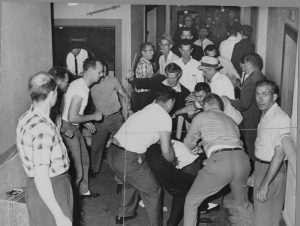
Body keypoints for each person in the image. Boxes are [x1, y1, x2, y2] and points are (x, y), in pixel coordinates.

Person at [107, 87, 177, 226]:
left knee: (130, 183)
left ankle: (123, 215)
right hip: (127, 158)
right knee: (154, 190)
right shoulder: (164, 116)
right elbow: (166, 150)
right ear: (170, 102)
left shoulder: (146, 109)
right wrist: (173, 161)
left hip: (112, 153)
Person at [183, 93, 253, 226]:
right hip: (242, 161)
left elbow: (189, 141)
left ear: (205, 105)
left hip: (220, 162)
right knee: (243, 204)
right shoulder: (230, 120)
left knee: (191, 201)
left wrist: (195, 149)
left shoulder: (201, 116)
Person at [16, 72, 73, 226]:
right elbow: (41, 176)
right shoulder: (42, 129)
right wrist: (59, 215)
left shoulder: (27, 117)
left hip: (38, 188)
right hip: (51, 188)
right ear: (52, 94)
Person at [250, 80, 296, 226]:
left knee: (264, 220)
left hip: (272, 172)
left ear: (274, 97)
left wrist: (265, 183)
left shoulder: (279, 118)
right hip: (262, 168)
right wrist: (255, 173)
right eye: (257, 94)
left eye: (265, 94)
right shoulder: (267, 114)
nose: (260, 99)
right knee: (260, 216)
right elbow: (264, 147)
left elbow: (279, 153)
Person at [61, 57, 104, 198]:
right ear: (90, 71)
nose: (102, 74)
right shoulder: (81, 89)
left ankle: (83, 191)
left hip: (73, 126)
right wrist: (93, 117)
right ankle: (72, 202)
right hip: (69, 128)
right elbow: (72, 117)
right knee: (77, 170)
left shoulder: (79, 84)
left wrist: (84, 122)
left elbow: (68, 109)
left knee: (85, 161)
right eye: (100, 72)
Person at [89, 61, 132, 178]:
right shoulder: (90, 83)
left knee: (123, 144)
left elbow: (124, 94)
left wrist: (129, 107)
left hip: (116, 117)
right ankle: (94, 169)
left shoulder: (112, 80)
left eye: (105, 71)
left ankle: (120, 175)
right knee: (96, 148)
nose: (103, 74)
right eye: (100, 71)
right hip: (100, 120)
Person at [230, 53, 265, 162]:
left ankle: (254, 173)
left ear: (248, 64)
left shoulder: (250, 80)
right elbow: (251, 96)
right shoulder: (258, 75)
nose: (241, 66)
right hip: (257, 116)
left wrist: (228, 100)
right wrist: (239, 86)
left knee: (251, 147)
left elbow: (244, 104)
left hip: (250, 119)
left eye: (243, 64)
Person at [132, 42, 155, 111]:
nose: (153, 53)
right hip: (144, 95)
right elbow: (145, 83)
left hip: (143, 94)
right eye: (150, 50)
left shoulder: (146, 62)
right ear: (143, 53)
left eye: (152, 50)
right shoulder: (144, 64)